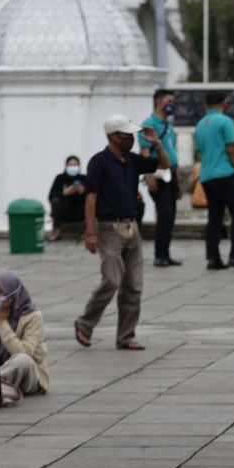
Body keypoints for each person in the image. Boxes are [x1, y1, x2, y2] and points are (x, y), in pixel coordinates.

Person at [74, 115, 170, 350]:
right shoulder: (100, 162)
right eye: (126, 135)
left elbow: (165, 165)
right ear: (113, 137)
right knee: (112, 280)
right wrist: (90, 232)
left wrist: (156, 142)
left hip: (132, 227)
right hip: (108, 228)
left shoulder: (132, 160)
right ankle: (85, 324)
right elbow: (91, 198)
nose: (131, 139)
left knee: (133, 286)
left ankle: (126, 335)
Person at [195, 91, 234, 271]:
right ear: (224, 102)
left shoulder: (199, 124)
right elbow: (232, 150)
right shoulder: (225, 121)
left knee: (215, 216)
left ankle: (213, 259)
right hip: (224, 173)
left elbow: (200, 150)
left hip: (206, 176)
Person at [0, 272, 50, 396]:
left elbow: (24, 351)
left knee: (23, 360)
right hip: (0, 370)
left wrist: (2, 323)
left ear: (12, 293)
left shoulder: (32, 317)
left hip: (30, 376)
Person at [138, 88, 181, 267]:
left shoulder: (168, 126)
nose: (171, 105)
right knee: (164, 213)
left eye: (172, 102)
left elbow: (172, 153)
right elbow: (145, 152)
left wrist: (178, 182)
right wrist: (149, 177)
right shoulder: (149, 124)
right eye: (168, 101)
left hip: (171, 174)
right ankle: (159, 255)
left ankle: (166, 253)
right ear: (159, 102)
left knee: (170, 216)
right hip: (157, 175)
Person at [47, 156, 87, 241]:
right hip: (64, 210)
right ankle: (57, 230)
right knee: (56, 201)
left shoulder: (83, 178)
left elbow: (92, 194)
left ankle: (88, 231)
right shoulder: (60, 178)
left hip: (79, 211)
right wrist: (64, 193)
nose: (73, 167)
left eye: (75, 165)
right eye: (70, 165)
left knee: (89, 201)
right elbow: (51, 196)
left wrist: (82, 191)